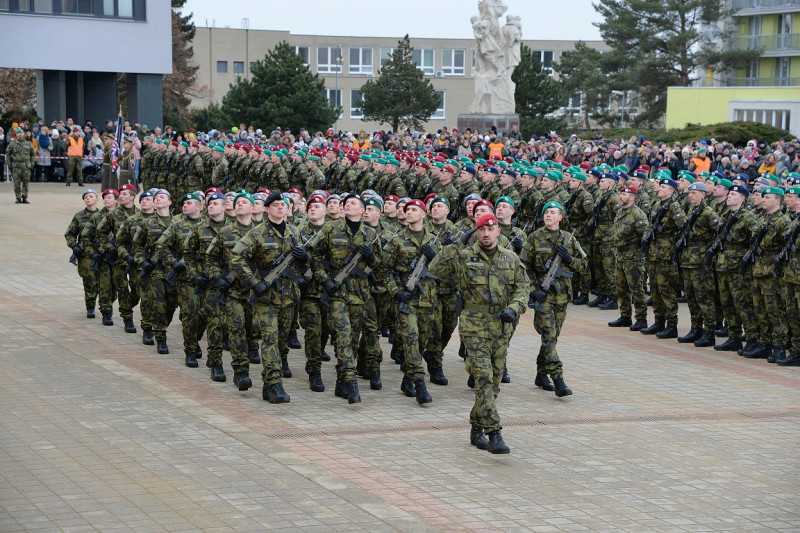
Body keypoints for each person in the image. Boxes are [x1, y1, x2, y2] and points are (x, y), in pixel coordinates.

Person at [446, 213, 528, 454]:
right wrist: (456, 244)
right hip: (473, 325)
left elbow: (523, 287)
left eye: (490, 229)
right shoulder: (464, 256)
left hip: (500, 326)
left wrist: (514, 308)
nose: (486, 234)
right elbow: (437, 268)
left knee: (494, 382)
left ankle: (476, 426)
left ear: (498, 232)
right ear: (476, 232)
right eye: (481, 229)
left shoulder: (510, 258)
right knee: (482, 376)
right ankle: (494, 433)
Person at [231, 192, 306, 404]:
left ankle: (268, 382)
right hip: (267, 297)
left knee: (281, 342)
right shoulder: (257, 233)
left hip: (289, 296)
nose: (281, 208)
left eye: (283, 204)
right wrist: (254, 281)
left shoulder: (294, 232)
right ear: (266, 209)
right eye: (276, 205)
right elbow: (236, 257)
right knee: (270, 340)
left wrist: (305, 258)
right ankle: (275, 384)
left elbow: (303, 264)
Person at [311, 194, 379, 403]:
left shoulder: (370, 233)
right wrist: (325, 279)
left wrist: (371, 257)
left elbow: (378, 264)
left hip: (360, 294)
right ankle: (351, 381)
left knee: (353, 340)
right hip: (337, 292)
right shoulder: (331, 228)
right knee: (343, 335)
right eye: (346, 202)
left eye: (353, 203)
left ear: (362, 210)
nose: (348, 204)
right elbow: (315, 256)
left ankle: (341, 382)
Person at [521, 201, 583, 397]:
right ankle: (558, 379)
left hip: (562, 296)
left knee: (552, 338)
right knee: (548, 334)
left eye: (552, 212)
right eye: (546, 212)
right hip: (544, 295)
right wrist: (533, 290)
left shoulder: (569, 239)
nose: (548, 215)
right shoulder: (534, 237)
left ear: (560, 217)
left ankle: (541, 374)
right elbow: (523, 267)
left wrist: (569, 259)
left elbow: (583, 265)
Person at [380, 199, 436, 405]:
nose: (409, 212)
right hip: (407, 299)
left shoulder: (434, 241)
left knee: (421, 342)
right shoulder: (397, 240)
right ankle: (420, 383)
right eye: (407, 209)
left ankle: (408, 378)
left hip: (428, 300)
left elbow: (444, 271)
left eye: (414, 209)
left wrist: (435, 258)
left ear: (423, 214)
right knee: (411, 338)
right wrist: (395, 291)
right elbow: (384, 270)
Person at [676, 182, 720, 347]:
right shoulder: (692, 210)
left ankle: (709, 331)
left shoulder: (708, 213)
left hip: (701, 261)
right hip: (689, 259)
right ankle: (696, 328)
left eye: (694, 193)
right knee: (691, 297)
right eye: (690, 193)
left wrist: (709, 252)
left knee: (704, 298)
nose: (690, 196)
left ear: (703, 194)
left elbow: (719, 233)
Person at [608, 186, 650, 331]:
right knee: (621, 288)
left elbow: (644, 236)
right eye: (621, 193)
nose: (621, 196)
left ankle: (641, 319)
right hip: (620, 255)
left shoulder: (638, 214)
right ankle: (625, 316)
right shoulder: (620, 211)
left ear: (632, 197)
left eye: (624, 194)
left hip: (633, 257)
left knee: (636, 288)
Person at [65, 189, 101, 317]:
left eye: (91, 196)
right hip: (86, 255)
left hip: (102, 253)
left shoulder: (104, 216)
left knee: (103, 283)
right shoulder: (79, 216)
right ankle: (90, 307)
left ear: (97, 199)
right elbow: (70, 234)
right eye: (86, 197)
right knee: (89, 281)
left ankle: (105, 306)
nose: (88, 198)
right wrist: (74, 246)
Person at [6, 128, 36, 203]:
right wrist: (9, 164)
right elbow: (8, 154)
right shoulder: (12, 144)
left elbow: (33, 154)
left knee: (26, 183)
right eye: (18, 133)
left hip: (26, 166)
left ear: (23, 134)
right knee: (17, 183)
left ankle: (24, 197)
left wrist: (32, 164)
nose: (20, 134)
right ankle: (18, 197)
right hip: (16, 166)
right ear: (16, 134)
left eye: (21, 133)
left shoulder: (28, 144)